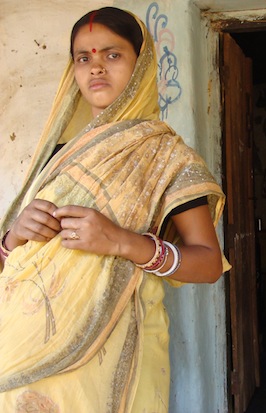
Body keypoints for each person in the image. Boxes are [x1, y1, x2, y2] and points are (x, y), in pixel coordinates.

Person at [0, 7, 228, 412]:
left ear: (140, 65)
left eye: (112, 54)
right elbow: (10, 261)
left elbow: (209, 264)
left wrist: (124, 242)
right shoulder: (56, 156)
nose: (96, 68)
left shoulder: (170, 159)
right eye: (83, 58)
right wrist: (14, 235)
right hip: (22, 348)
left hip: (116, 349)